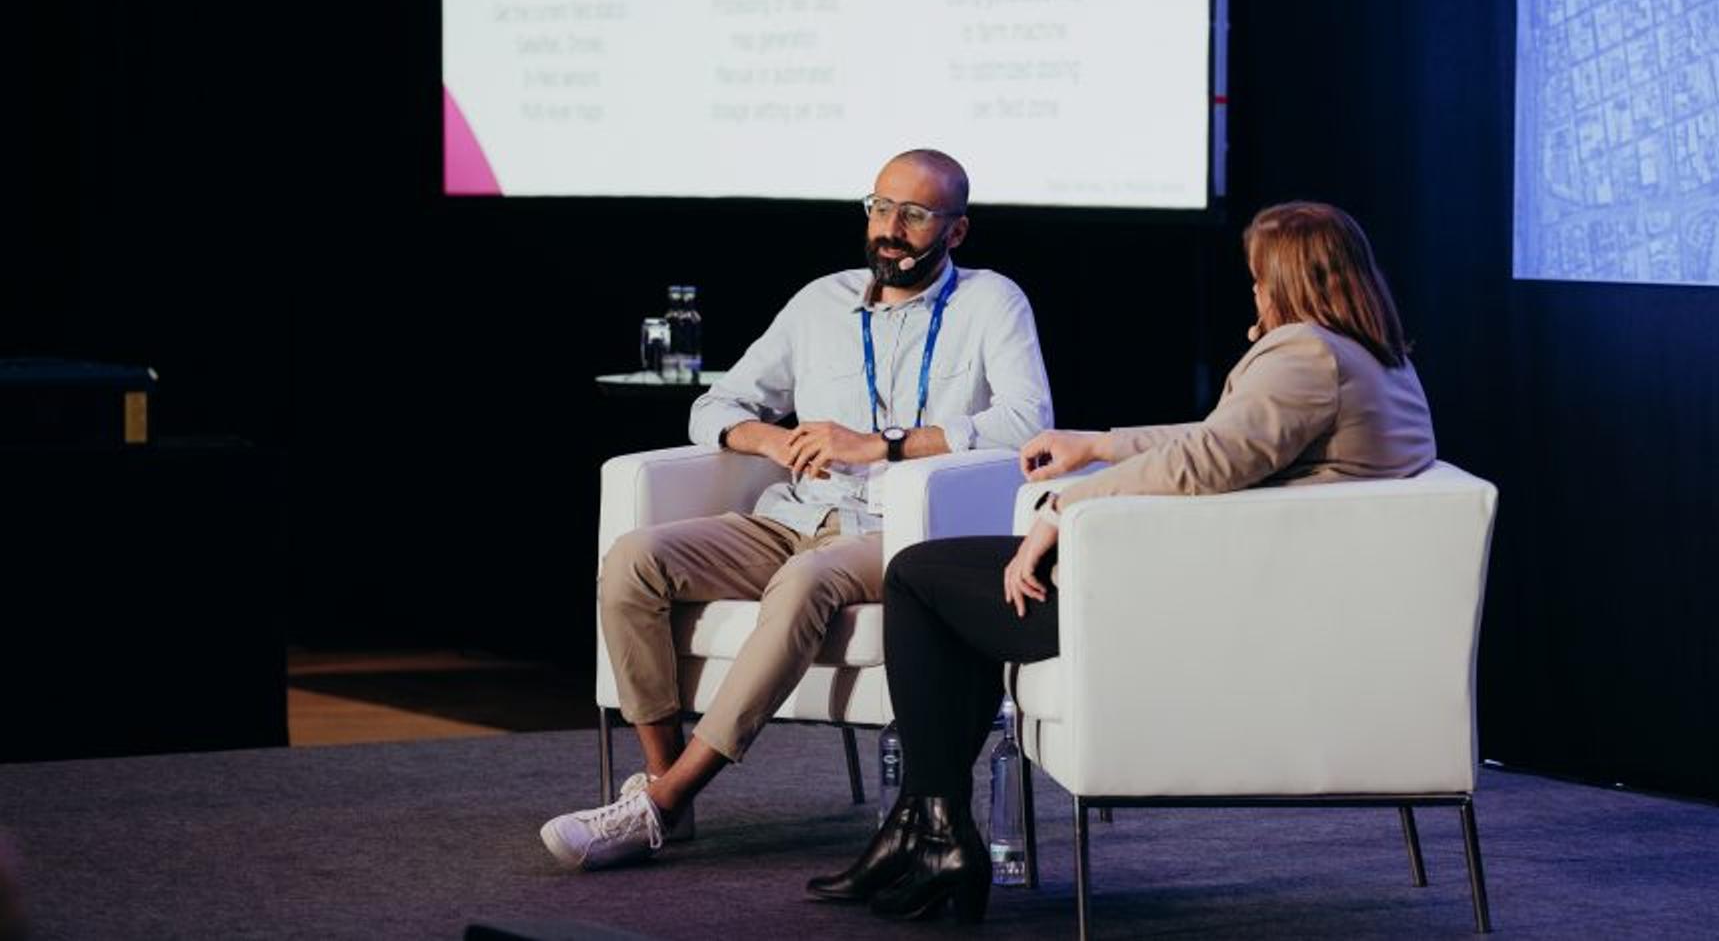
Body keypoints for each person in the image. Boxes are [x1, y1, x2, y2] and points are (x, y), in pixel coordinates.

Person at [806, 200, 1436, 920]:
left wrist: (1062, 511)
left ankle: (932, 830)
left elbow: (1207, 460)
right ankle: (930, 829)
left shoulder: (1305, 358)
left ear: (1290, 281)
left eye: (1260, 278)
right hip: (1252, 593)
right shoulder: (1364, 356)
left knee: (918, 580)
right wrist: (1100, 443)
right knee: (948, 584)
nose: (1253, 292)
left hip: (1190, 609)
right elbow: (1224, 439)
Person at [540, 148, 1054, 870]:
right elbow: (715, 404)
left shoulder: (990, 302)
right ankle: (659, 781)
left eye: (913, 214)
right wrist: (773, 441)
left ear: (956, 231)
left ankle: (664, 803)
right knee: (633, 560)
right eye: (879, 208)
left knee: (803, 583)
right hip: (794, 514)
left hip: (897, 528)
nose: (890, 228)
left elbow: (1027, 422)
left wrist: (885, 444)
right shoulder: (821, 303)